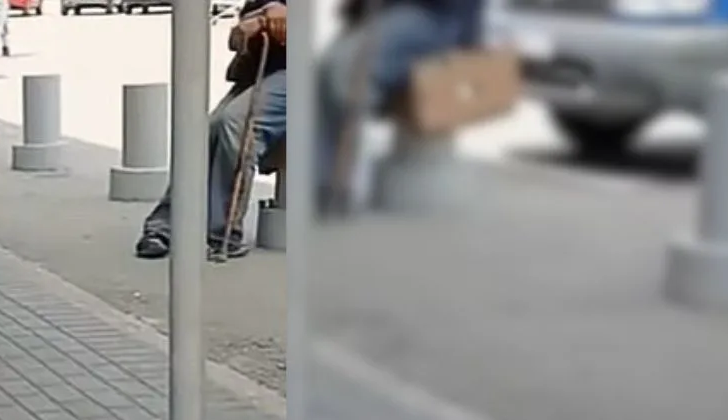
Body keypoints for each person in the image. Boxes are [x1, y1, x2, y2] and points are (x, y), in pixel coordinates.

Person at [134, 0, 287, 261]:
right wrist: (260, 17)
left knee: (236, 124)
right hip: (272, 67)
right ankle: (168, 225)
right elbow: (240, 32)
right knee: (206, 129)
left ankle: (222, 232)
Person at [315, 0, 482, 212]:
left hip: (437, 20)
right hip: (398, 15)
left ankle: (341, 181)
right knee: (328, 68)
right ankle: (327, 178)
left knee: (345, 69)